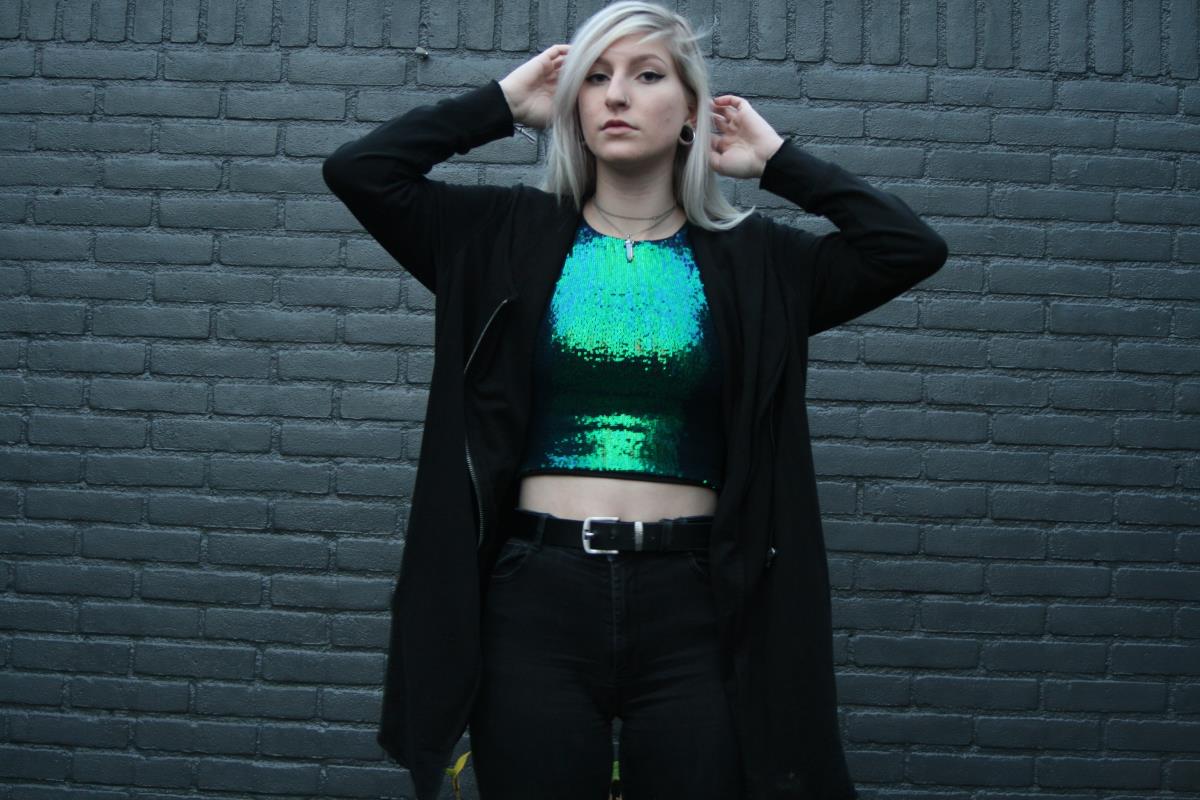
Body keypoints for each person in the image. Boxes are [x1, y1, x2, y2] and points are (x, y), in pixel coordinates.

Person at [322, 2, 948, 798]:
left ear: (691, 111)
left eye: (646, 75)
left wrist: (779, 161)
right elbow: (360, 172)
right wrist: (501, 104)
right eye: (595, 78)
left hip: (697, 605)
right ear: (573, 105)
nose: (616, 95)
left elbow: (909, 248)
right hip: (535, 598)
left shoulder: (758, 264)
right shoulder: (499, 237)